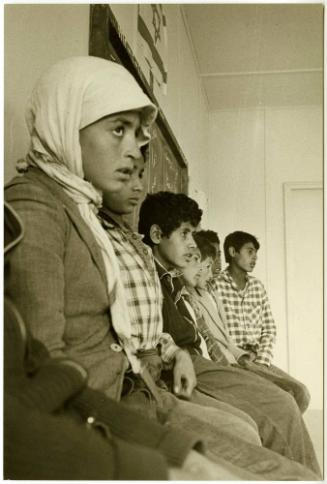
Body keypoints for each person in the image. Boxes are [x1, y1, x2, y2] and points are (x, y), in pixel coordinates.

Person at [3, 56, 265, 479]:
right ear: (67, 123)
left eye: (136, 135)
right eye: (117, 129)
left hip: (132, 397)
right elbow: (49, 380)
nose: (132, 151)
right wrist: (167, 462)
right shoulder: (36, 206)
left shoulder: (79, 208)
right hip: (102, 419)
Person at [4, 201, 253, 481]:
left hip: (140, 379)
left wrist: (179, 354)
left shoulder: (146, 258)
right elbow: (21, 420)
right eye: (185, 234)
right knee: (249, 439)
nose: (193, 248)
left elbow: (157, 332)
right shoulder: (39, 206)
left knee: (249, 431)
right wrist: (70, 372)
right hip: (125, 385)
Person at [138, 191, 321, 477]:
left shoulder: (172, 278)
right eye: (185, 234)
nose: (191, 244)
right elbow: (156, 335)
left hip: (203, 359)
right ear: (157, 234)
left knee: (286, 399)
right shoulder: (146, 271)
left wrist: (251, 356)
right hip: (185, 364)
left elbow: (230, 330)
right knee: (274, 409)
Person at [184, 230, 311, 413]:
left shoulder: (257, 286)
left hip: (256, 357)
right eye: (250, 252)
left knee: (300, 393)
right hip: (236, 359)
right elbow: (215, 336)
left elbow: (269, 329)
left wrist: (262, 360)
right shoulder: (213, 285)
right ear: (233, 252)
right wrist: (241, 361)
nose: (255, 258)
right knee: (284, 397)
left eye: (256, 253)